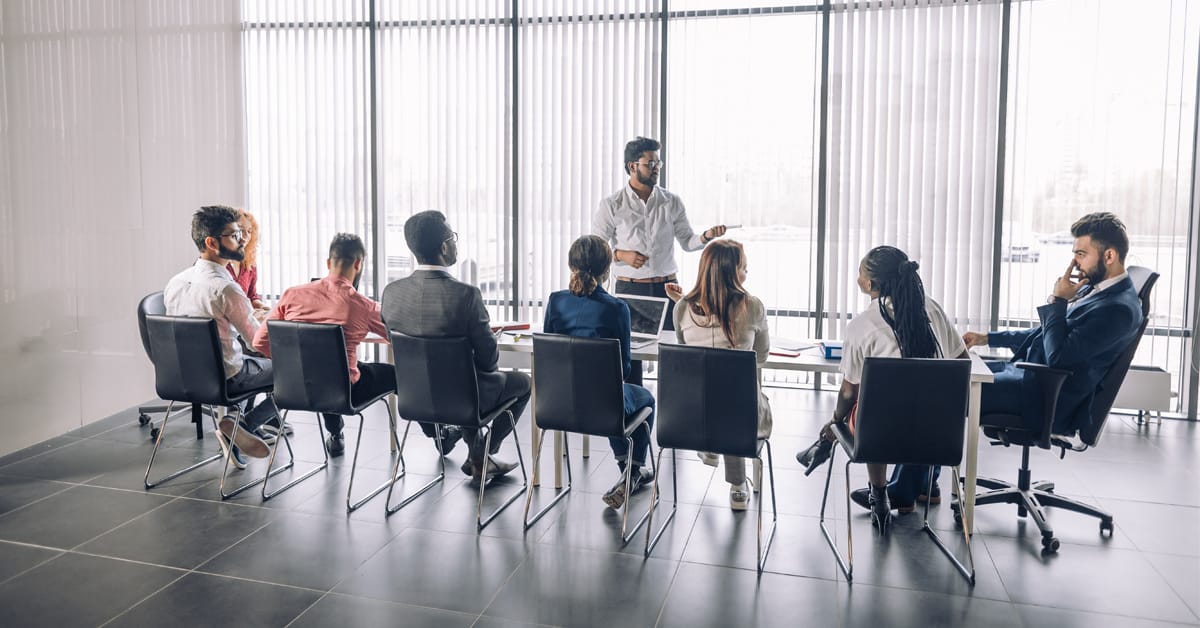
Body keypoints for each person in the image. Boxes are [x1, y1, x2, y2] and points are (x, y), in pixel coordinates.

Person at [797, 246, 967, 532]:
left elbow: (849, 392)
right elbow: (962, 361)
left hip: (882, 436)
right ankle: (928, 483)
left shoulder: (862, 326)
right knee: (920, 404)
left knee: (869, 408)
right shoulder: (932, 309)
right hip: (939, 436)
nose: (857, 276)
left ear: (870, 283)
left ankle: (879, 494)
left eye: (860, 272)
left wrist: (835, 421)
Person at [962, 212, 1143, 444]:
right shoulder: (1097, 290)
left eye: (1081, 254)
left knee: (947, 391)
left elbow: (1058, 357)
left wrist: (1059, 301)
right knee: (951, 374)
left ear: (1109, 255)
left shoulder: (1118, 310)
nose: (1074, 263)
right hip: (1026, 375)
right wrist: (987, 338)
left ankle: (927, 467)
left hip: (1041, 397)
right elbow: (1047, 334)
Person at [380, 210, 530, 483]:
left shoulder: (391, 294)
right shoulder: (466, 295)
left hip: (415, 397)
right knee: (523, 383)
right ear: (444, 247)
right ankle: (482, 454)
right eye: (453, 238)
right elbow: (489, 361)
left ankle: (467, 448)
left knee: (459, 381)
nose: (455, 244)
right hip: (465, 397)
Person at [593, 136, 728, 384]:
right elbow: (596, 248)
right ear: (632, 166)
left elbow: (687, 242)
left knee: (674, 355)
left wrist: (706, 236)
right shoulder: (612, 205)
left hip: (667, 289)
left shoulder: (671, 201)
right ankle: (635, 406)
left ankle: (675, 406)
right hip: (630, 290)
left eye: (658, 163)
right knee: (630, 357)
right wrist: (621, 255)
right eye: (650, 163)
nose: (656, 168)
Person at [251, 234, 396, 458]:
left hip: (295, 386)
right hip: (345, 393)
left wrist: (293, 363)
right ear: (358, 264)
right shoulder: (363, 305)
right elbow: (397, 337)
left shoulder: (292, 294)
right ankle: (440, 436)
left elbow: (259, 342)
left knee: (323, 369)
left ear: (328, 263)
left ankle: (335, 435)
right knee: (394, 375)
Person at [543, 235, 657, 510]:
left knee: (612, 398)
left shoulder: (555, 301)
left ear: (571, 266)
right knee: (643, 399)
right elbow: (623, 369)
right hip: (603, 408)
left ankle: (629, 473)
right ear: (607, 270)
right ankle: (632, 472)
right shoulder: (617, 308)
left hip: (557, 406)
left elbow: (550, 352)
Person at [163, 205, 280, 468]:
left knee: (250, 364)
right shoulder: (227, 289)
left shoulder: (175, 282)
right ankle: (242, 425)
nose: (242, 240)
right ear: (211, 243)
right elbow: (257, 343)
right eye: (234, 235)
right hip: (228, 378)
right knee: (294, 374)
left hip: (182, 378)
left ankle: (234, 423)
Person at [665, 240, 772, 511]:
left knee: (715, 397)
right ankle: (738, 487)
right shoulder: (753, 307)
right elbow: (761, 357)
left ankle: (709, 445)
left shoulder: (681, 309)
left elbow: (687, 353)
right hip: (741, 418)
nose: (747, 272)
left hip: (691, 416)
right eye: (744, 267)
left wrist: (683, 303)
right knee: (737, 401)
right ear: (732, 272)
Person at [226, 209, 268, 316]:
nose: (246, 236)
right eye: (241, 230)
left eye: (249, 231)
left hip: (244, 318)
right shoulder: (219, 262)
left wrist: (265, 308)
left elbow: (252, 296)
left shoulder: (250, 263)